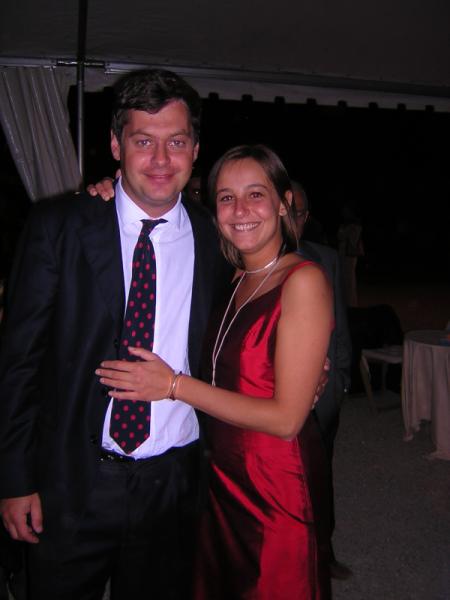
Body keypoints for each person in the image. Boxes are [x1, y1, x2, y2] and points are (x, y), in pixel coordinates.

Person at [0, 68, 229, 600]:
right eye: (143, 141)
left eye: (177, 142)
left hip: (174, 483)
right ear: (115, 145)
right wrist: (14, 479)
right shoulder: (59, 226)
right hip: (73, 478)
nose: (161, 159)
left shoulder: (217, 240)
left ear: (196, 150)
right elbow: (19, 361)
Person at [96, 144, 334, 599]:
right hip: (220, 476)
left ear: (284, 204)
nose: (240, 210)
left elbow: (287, 419)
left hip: (275, 482)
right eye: (226, 197)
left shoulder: (302, 280)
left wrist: (172, 386)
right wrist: (110, 189)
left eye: (256, 194)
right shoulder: (231, 276)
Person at [292, 181, 353, 580]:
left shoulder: (325, 259)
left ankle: (323, 552)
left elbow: (340, 327)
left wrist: (340, 384)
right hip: (265, 399)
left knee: (320, 477)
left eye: (296, 212)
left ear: (306, 218)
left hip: (322, 399)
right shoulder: (240, 259)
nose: (288, 220)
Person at [337, 204, 364, 307]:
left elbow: (352, 240)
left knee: (350, 278)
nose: (345, 213)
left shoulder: (355, 225)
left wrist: (346, 232)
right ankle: (347, 302)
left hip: (350, 254)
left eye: (347, 211)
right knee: (344, 277)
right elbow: (340, 236)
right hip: (343, 253)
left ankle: (352, 303)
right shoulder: (345, 224)